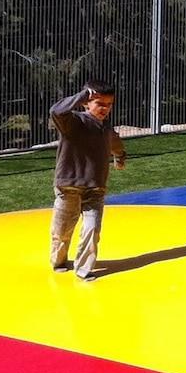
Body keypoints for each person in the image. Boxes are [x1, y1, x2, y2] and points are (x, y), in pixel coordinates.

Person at [49, 79, 127, 280]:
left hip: (96, 188)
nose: (105, 109)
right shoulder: (73, 122)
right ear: (86, 103)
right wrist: (82, 96)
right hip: (69, 186)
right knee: (63, 230)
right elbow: (56, 111)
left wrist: (120, 157)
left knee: (92, 229)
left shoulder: (106, 128)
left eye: (109, 104)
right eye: (100, 103)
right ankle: (59, 260)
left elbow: (115, 143)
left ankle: (84, 269)